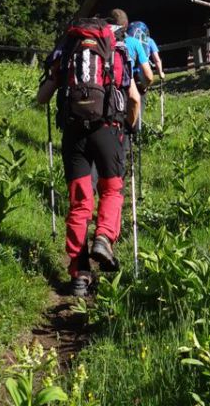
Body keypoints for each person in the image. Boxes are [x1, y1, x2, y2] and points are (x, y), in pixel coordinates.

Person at [37, 19, 141, 298]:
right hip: (108, 131)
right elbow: (133, 99)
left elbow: (42, 98)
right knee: (111, 189)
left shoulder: (68, 50)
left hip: (74, 134)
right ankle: (104, 237)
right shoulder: (116, 48)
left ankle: (79, 274)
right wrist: (130, 125)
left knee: (80, 200)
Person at [109, 9, 154, 89]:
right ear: (126, 25)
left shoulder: (101, 42)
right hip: (126, 87)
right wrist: (143, 87)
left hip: (104, 90)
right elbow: (149, 76)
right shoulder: (134, 42)